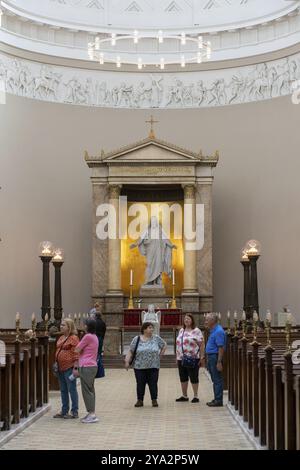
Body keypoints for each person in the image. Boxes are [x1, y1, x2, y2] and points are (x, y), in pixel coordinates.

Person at [124, 322, 167, 408]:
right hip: (139, 366)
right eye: (149, 328)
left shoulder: (156, 338)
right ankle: (140, 400)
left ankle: (154, 399)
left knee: (153, 383)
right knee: (140, 383)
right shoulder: (137, 339)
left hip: (153, 365)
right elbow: (131, 350)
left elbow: (164, 345)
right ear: (144, 329)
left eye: (152, 328)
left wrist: (160, 355)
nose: (151, 329)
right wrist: (127, 361)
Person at [53, 318, 79, 419]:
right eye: (61, 325)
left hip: (69, 367)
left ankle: (74, 411)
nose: (61, 326)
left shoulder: (74, 338)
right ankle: (64, 410)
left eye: (63, 325)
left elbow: (76, 353)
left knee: (72, 389)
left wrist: (75, 368)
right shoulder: (61, 337)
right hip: (60, 367)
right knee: (63, 390)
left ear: (69, 327)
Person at [175, 314, 205, 403]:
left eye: (188, 319)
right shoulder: (181, 330)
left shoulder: (196, 331)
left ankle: (195, 396)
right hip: (181, 357)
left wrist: (202, 356)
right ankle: (184, 395)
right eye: (185, 319)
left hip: (193, 358)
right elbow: (178, 344)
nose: (186, 320)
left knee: (193, 376)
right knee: (183, 377)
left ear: (192, 320)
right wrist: (177, 357)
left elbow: (202, 344)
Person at [74, 318, 99, 423]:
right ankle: (90, 413)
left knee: (87, 391)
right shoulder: (94, 336)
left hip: (86, 366)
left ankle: (92, 414)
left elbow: (77, 349)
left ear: (87, 326)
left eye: (84, 324)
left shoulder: (88, 336)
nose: (83, 326)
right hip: (92, 365)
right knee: (90, 390)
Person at [205, 312, 226, 407]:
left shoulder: (218, 331)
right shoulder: (213, 330)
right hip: (211, 356)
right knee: (215, 379)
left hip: (215, 357)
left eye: (207, 320)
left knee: (217, 379)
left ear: (213, 321)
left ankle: (218, 400)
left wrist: (219, 361)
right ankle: (216, 398)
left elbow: (221, 347)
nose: (205, 322)